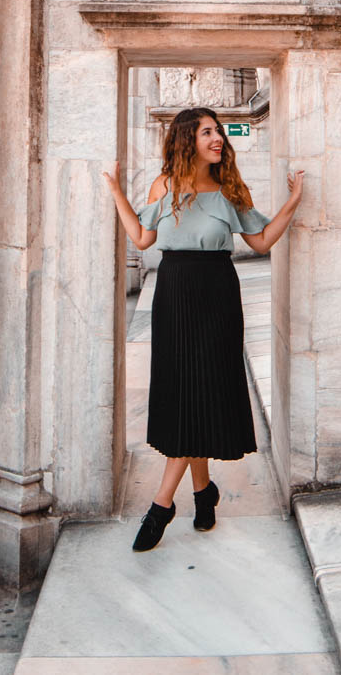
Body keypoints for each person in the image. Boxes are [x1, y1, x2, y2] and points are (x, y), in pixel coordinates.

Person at [103, 107, 304, 552]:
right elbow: (140, 238)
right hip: (174, 293)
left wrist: (292, 202)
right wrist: (116, 191)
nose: (218, 139)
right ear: (187, 139)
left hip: (217, 294)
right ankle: (202, 491)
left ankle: (161, 504)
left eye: (218, 132)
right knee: (184, 390)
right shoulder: (164, 185)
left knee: (203, 387)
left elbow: (262, 240)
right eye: (209, 132)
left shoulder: (229, 189)